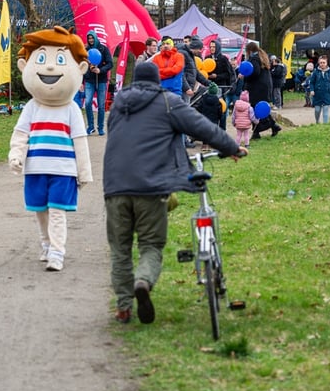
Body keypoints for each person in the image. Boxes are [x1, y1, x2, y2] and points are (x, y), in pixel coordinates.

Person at [102, 63, 246, 324]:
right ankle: (143, 282)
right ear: (158, 81)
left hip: (115, 187)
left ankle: (123, 307)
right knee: (150, 245)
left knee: (120, 249)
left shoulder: (120, 104)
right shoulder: (167, 102)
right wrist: (232, 147)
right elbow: (201, 127)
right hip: (151, 186)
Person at [8, 26, 93, 272]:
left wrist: (84, 172)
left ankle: (57, 252)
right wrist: (16, 155)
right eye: (42, 59)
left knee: (57, 212)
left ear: (79, 70)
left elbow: (80, 141)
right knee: (40, 211)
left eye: (59, 60)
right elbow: (21, 134)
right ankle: (46, 244)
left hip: (64, 170)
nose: (50, 68)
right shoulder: (32, 107)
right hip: (36, 169)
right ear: (26, 66)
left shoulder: (71, 110)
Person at [242, 42, 281, 140]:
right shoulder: (262, 57)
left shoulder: (254, 59)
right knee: (260, 109)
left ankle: (258, 131)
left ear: (249, 51)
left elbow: (254, 73)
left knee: (255, 110)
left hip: (257, 89)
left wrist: (244, 76)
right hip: (264, 87)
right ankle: (271, 127)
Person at [83, 30, 113, 135]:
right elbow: (82, 64)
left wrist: (100, 70)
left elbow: (110, 64)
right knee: (87, 103)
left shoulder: (103, 49)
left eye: (92, 38)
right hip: (89, 80)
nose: (90, 40)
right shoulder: (85, 50)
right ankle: (90, 126)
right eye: (89, 38)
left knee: (101, 105)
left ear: (95, 38)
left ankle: (100, 127)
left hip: (101, 80)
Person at [206, 39, 235, 128]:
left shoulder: (223, 59)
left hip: (221, 87)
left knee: (222, 108)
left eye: (214, 47)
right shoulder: (207, 58)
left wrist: (217, 76)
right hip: (209, 86)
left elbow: (228, 74)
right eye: (210, 47)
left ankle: (222, 129)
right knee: (210, 109)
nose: (212, 49)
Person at [306, 55, 330, 123]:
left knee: (326, 111)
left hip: (327, 94)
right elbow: (311, 82)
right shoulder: (315, 72)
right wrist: (312, 90)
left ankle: (325, 124)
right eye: (321, 63)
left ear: (326, 63)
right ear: (319, 63)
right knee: (317, 110)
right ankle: (317, 121)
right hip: (317, 94)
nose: (322, 64)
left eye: (324, 62)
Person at [197, 82, 223, 151]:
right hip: (214, 120)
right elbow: (219, 111)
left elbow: (199, 108)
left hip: (204, 119)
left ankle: (204, 145)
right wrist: (220, 117)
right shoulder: (218, 102)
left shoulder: (203, 100)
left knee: (205, 132)